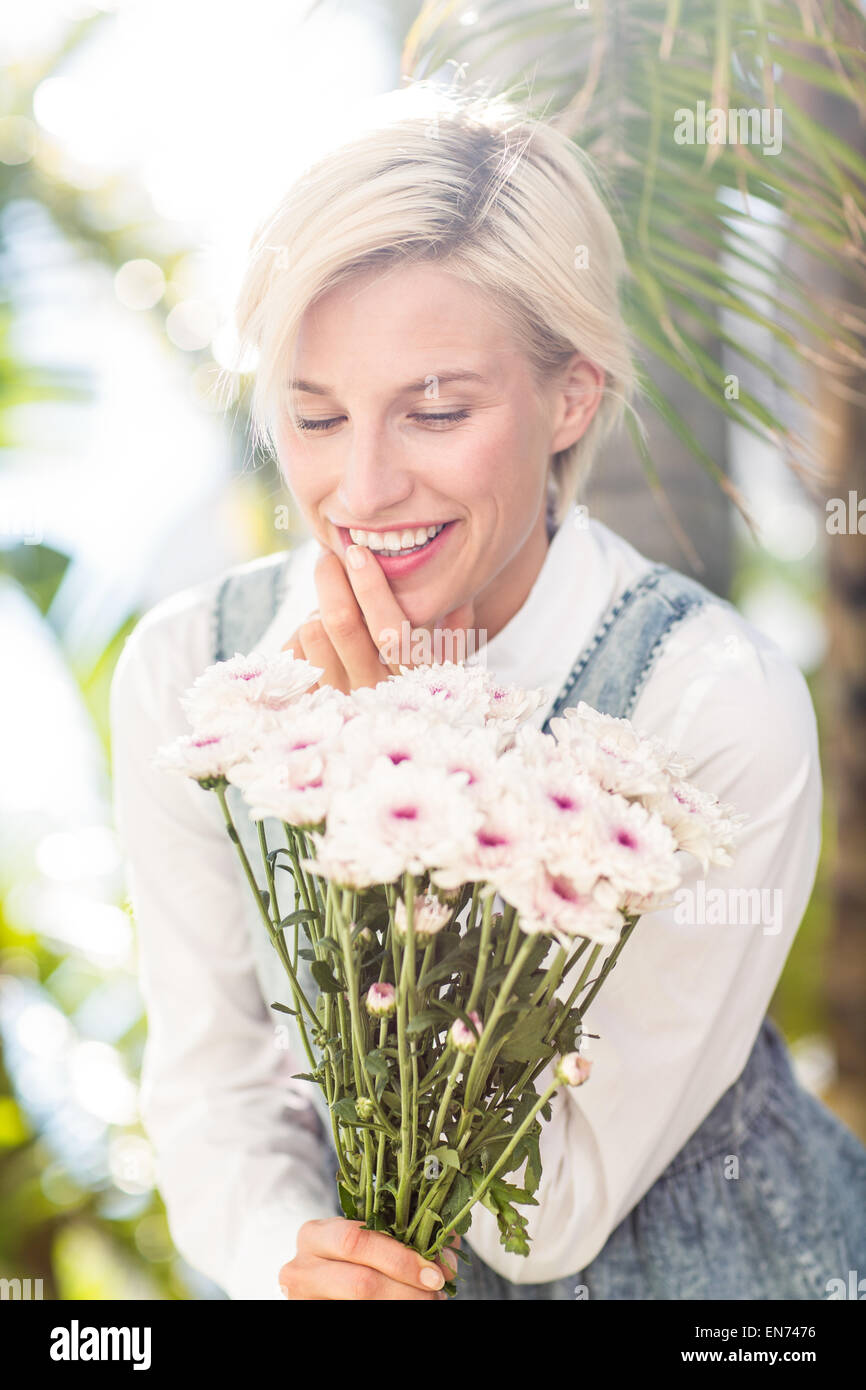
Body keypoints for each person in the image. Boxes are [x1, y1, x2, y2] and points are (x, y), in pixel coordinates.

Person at [109, 86, 866, 1301]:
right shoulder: (186, 671)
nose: (362, 486)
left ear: (570, 394)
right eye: (314, 416)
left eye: (439, 410)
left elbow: (539, 1222)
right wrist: (283, 1262)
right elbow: (215, 1091)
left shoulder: (711, 703)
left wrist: (396, 755)